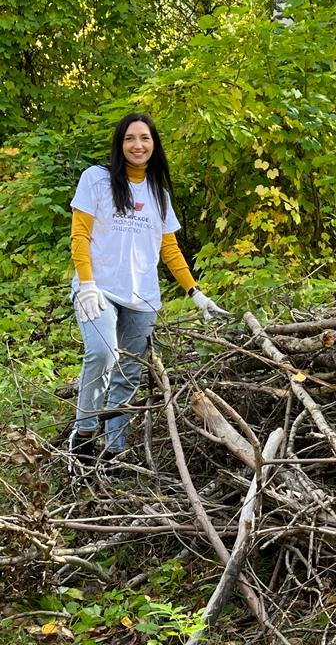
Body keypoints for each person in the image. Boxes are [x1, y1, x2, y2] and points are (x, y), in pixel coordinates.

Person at [69, 113, 228, 464]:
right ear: (119, 143)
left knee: (128, 374)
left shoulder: (158, 194)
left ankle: (112, 452)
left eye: (144, 138)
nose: (137, 145)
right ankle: (82, 435)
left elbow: (168, 249)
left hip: (142, 297)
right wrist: (87, 284)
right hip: (99, 290)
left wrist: (195, 292)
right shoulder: (96, 180)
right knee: (103, 353)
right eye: (129, 138)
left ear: (154, 145)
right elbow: (80, 235)